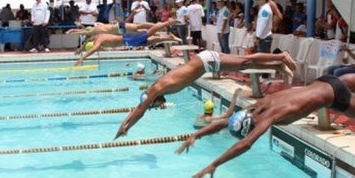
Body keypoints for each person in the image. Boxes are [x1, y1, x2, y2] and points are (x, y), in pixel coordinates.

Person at [176, 32, 355, 178]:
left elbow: (245, 143)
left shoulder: (267, 117)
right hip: (324, 81)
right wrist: (197, 134)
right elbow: (224, 123)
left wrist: (214, 163)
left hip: (335, 96)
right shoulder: (258, 106)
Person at [114, 50, 297, 139]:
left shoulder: (156, 89)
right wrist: (125, 124)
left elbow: (140, 111)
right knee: (244, 65)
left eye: (153, 105)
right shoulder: (157, 90)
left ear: (151, 100)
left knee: (245, 61)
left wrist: (125, 127)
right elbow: (139, 108)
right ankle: (277, 65)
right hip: (206, 63)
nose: (156, 107)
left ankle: (281, 56)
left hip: (206, 60)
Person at [75, 19, 179, 65]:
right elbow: (88, 40)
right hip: (128, 42)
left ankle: (167, 22)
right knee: (149, 42)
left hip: (127, 39)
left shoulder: (99, 40)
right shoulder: (96, 37)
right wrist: (81, 49)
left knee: (149, 33)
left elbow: (94, 49)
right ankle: (169, 37)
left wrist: (82, 58)